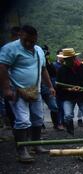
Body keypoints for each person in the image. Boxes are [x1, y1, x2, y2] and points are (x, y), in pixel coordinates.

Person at [0, 25, 55, 162]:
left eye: (32, 41)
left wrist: (50, 86)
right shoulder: (9, 49)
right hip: (17, 90)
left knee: (38, 118)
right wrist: (6, 88)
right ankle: (22, 149)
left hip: (35, 90)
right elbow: (2, 67)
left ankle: (35, 145)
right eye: (25, 40)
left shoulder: (39, 51)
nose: (28, 43)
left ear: (36, 38)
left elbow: (43, 70)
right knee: (23, 120)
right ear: (20, 36)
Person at [56, 48, 83, 137]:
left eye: (68, 59)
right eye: (65, 59)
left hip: (82, 95)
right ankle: (70, 133)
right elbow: (59, 86)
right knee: (67, 116)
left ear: (73, 58)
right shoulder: (62, 70)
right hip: (68, 96)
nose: (66, 61)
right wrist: (68, 89)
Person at [41, 45, 62, 130]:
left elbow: (53, 73)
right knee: (39, 108)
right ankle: (40, 126)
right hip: (37, 86)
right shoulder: (34, 60)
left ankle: (56, 125)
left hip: (48, 86)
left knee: (54, 106)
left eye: (47, 53)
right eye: (45, 52)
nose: (46, 54)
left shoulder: (48, 63)